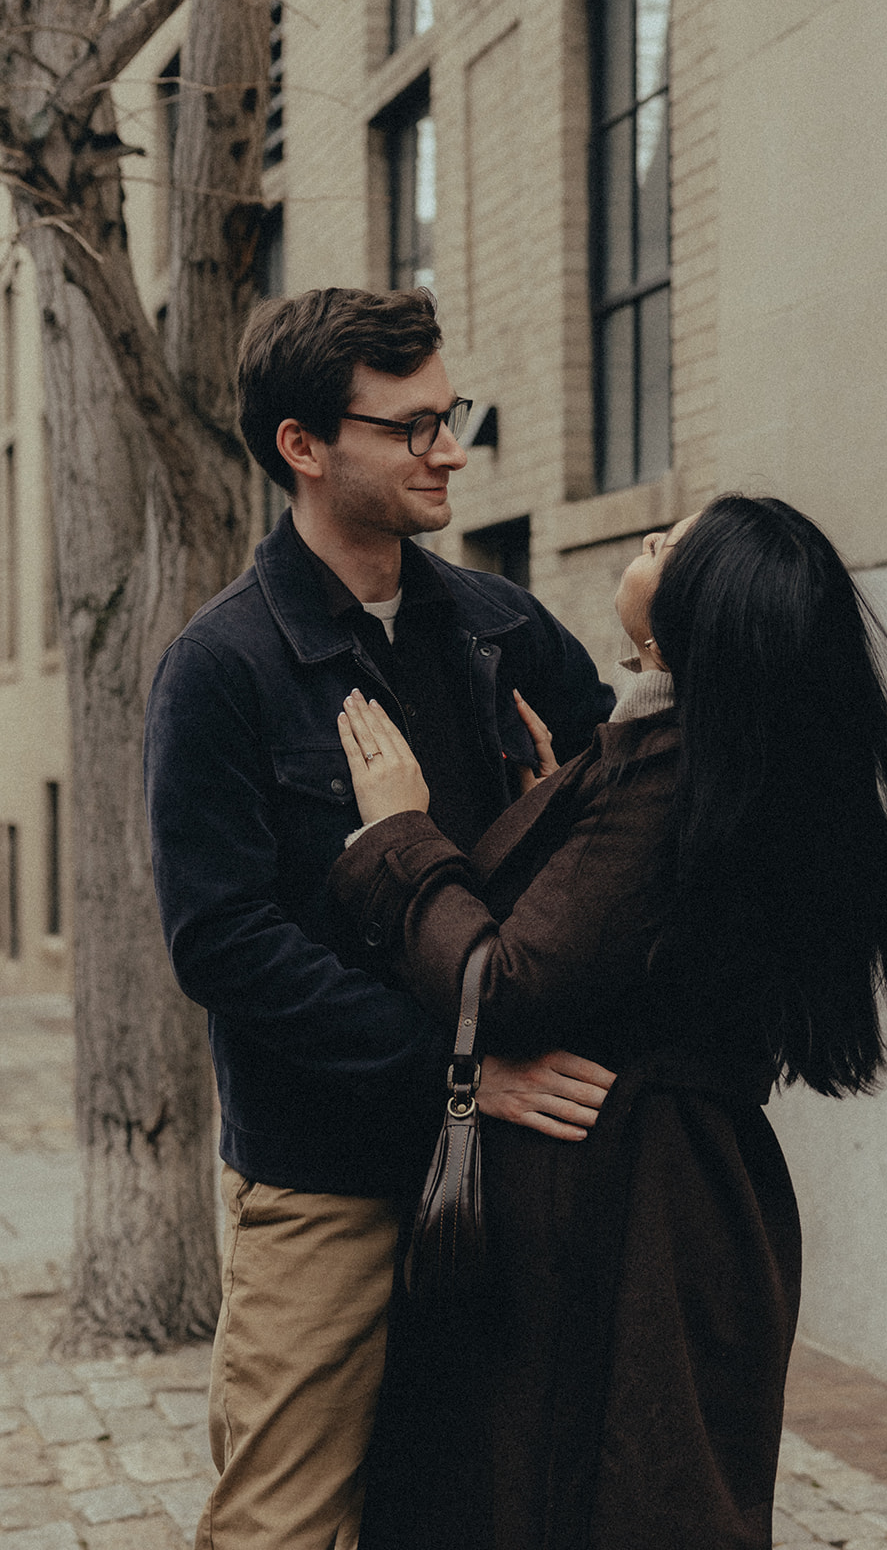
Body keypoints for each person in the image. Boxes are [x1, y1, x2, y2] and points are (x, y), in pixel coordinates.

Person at [328, 494, 887, 1550]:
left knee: (598, 1499)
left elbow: (512, 981)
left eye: (679, 546)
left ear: (686, 629)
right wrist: (555, 813)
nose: (657, 534)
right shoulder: (699, 757)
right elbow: (625, 938)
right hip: (680, 1192)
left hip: (625, 1205)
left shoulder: (668, 772)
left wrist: (400, 837)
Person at [142, 286, 617, 1550]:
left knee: (485, 1504)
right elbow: (222, 943)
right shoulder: (219, 667)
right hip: (325, 1177)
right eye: (410, 427)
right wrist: (458, 1072)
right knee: (283, 1525)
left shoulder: (500, 627)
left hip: (516, 1161)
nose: (448, 448)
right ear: (302, 445)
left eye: (446, 415)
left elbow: (623, 807)